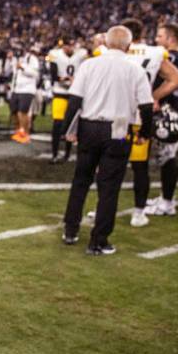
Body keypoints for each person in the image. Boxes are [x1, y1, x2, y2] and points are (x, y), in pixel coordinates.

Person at [61, 25, 154, 256]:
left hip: (89, 127)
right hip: (119, 128)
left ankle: (70, 230)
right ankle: (98, 241)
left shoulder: (89, 65)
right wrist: (145, 133)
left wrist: (67, 130)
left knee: (81, 180)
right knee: (109, 187)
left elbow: (74, 101)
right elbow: (147, 106)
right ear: (129, 46)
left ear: (106, 42)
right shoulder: (135, 69)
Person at [122, 18, 178, 228]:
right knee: (140, 168)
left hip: (114, 116)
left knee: (109, 165)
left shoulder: (110, 51)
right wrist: (151, 97)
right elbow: (176, 79)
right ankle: (138, 213)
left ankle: (103, 207)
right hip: (141, 117)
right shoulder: (155, 52)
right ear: (141, 33)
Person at [144, 23, 178, 216]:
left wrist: (154, 97)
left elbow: (173, 82)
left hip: (170, 110)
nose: (157, 40)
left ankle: (167, 202)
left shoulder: (172, 57)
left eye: (160, 36)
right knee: (166, 157)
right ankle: (166, 197)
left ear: (171, 38)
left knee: (167, 158)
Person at [46, 37, 87, 163]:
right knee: (57, 124)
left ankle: (67, 154)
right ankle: (54, 153)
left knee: (72, 125)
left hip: (75, 94)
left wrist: (78, 80)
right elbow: (53, 75)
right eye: (66, 46)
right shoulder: (54, 54)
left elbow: (86, 71)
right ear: (62, 46)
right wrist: (63, 79)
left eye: (71, 45)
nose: (69, 48)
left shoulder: (82, 54)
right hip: (60, 92)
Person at [9, 44, 41, 144]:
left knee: (23, 111)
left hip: (27, 88)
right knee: (13, 111)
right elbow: (14, 74)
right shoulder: (14, 59)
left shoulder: (32, 59)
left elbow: (35, 74)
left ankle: (25, 133)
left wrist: (23, 67)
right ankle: (18, 131)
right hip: (16, 88)